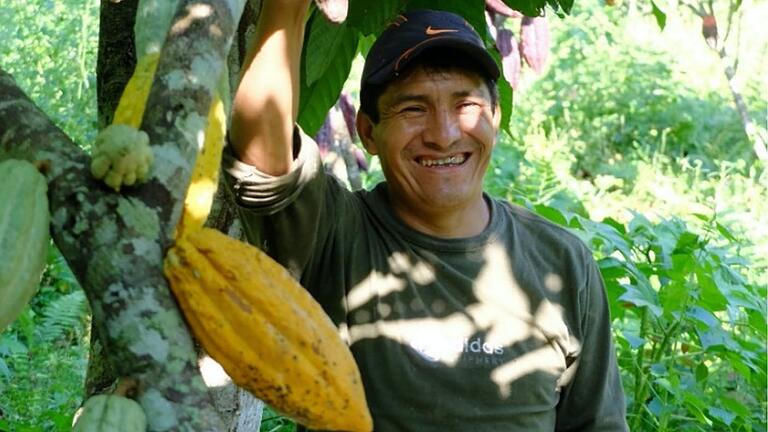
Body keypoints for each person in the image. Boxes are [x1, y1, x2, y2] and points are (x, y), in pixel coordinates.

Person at [225, 1, 628, 430]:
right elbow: (263, 159)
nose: (444, 135)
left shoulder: (561, 260)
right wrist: (286, 9)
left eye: (466, 105)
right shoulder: (338, 233)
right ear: (368, 132)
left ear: (494, 116)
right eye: (413, 109)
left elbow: (596, 424)